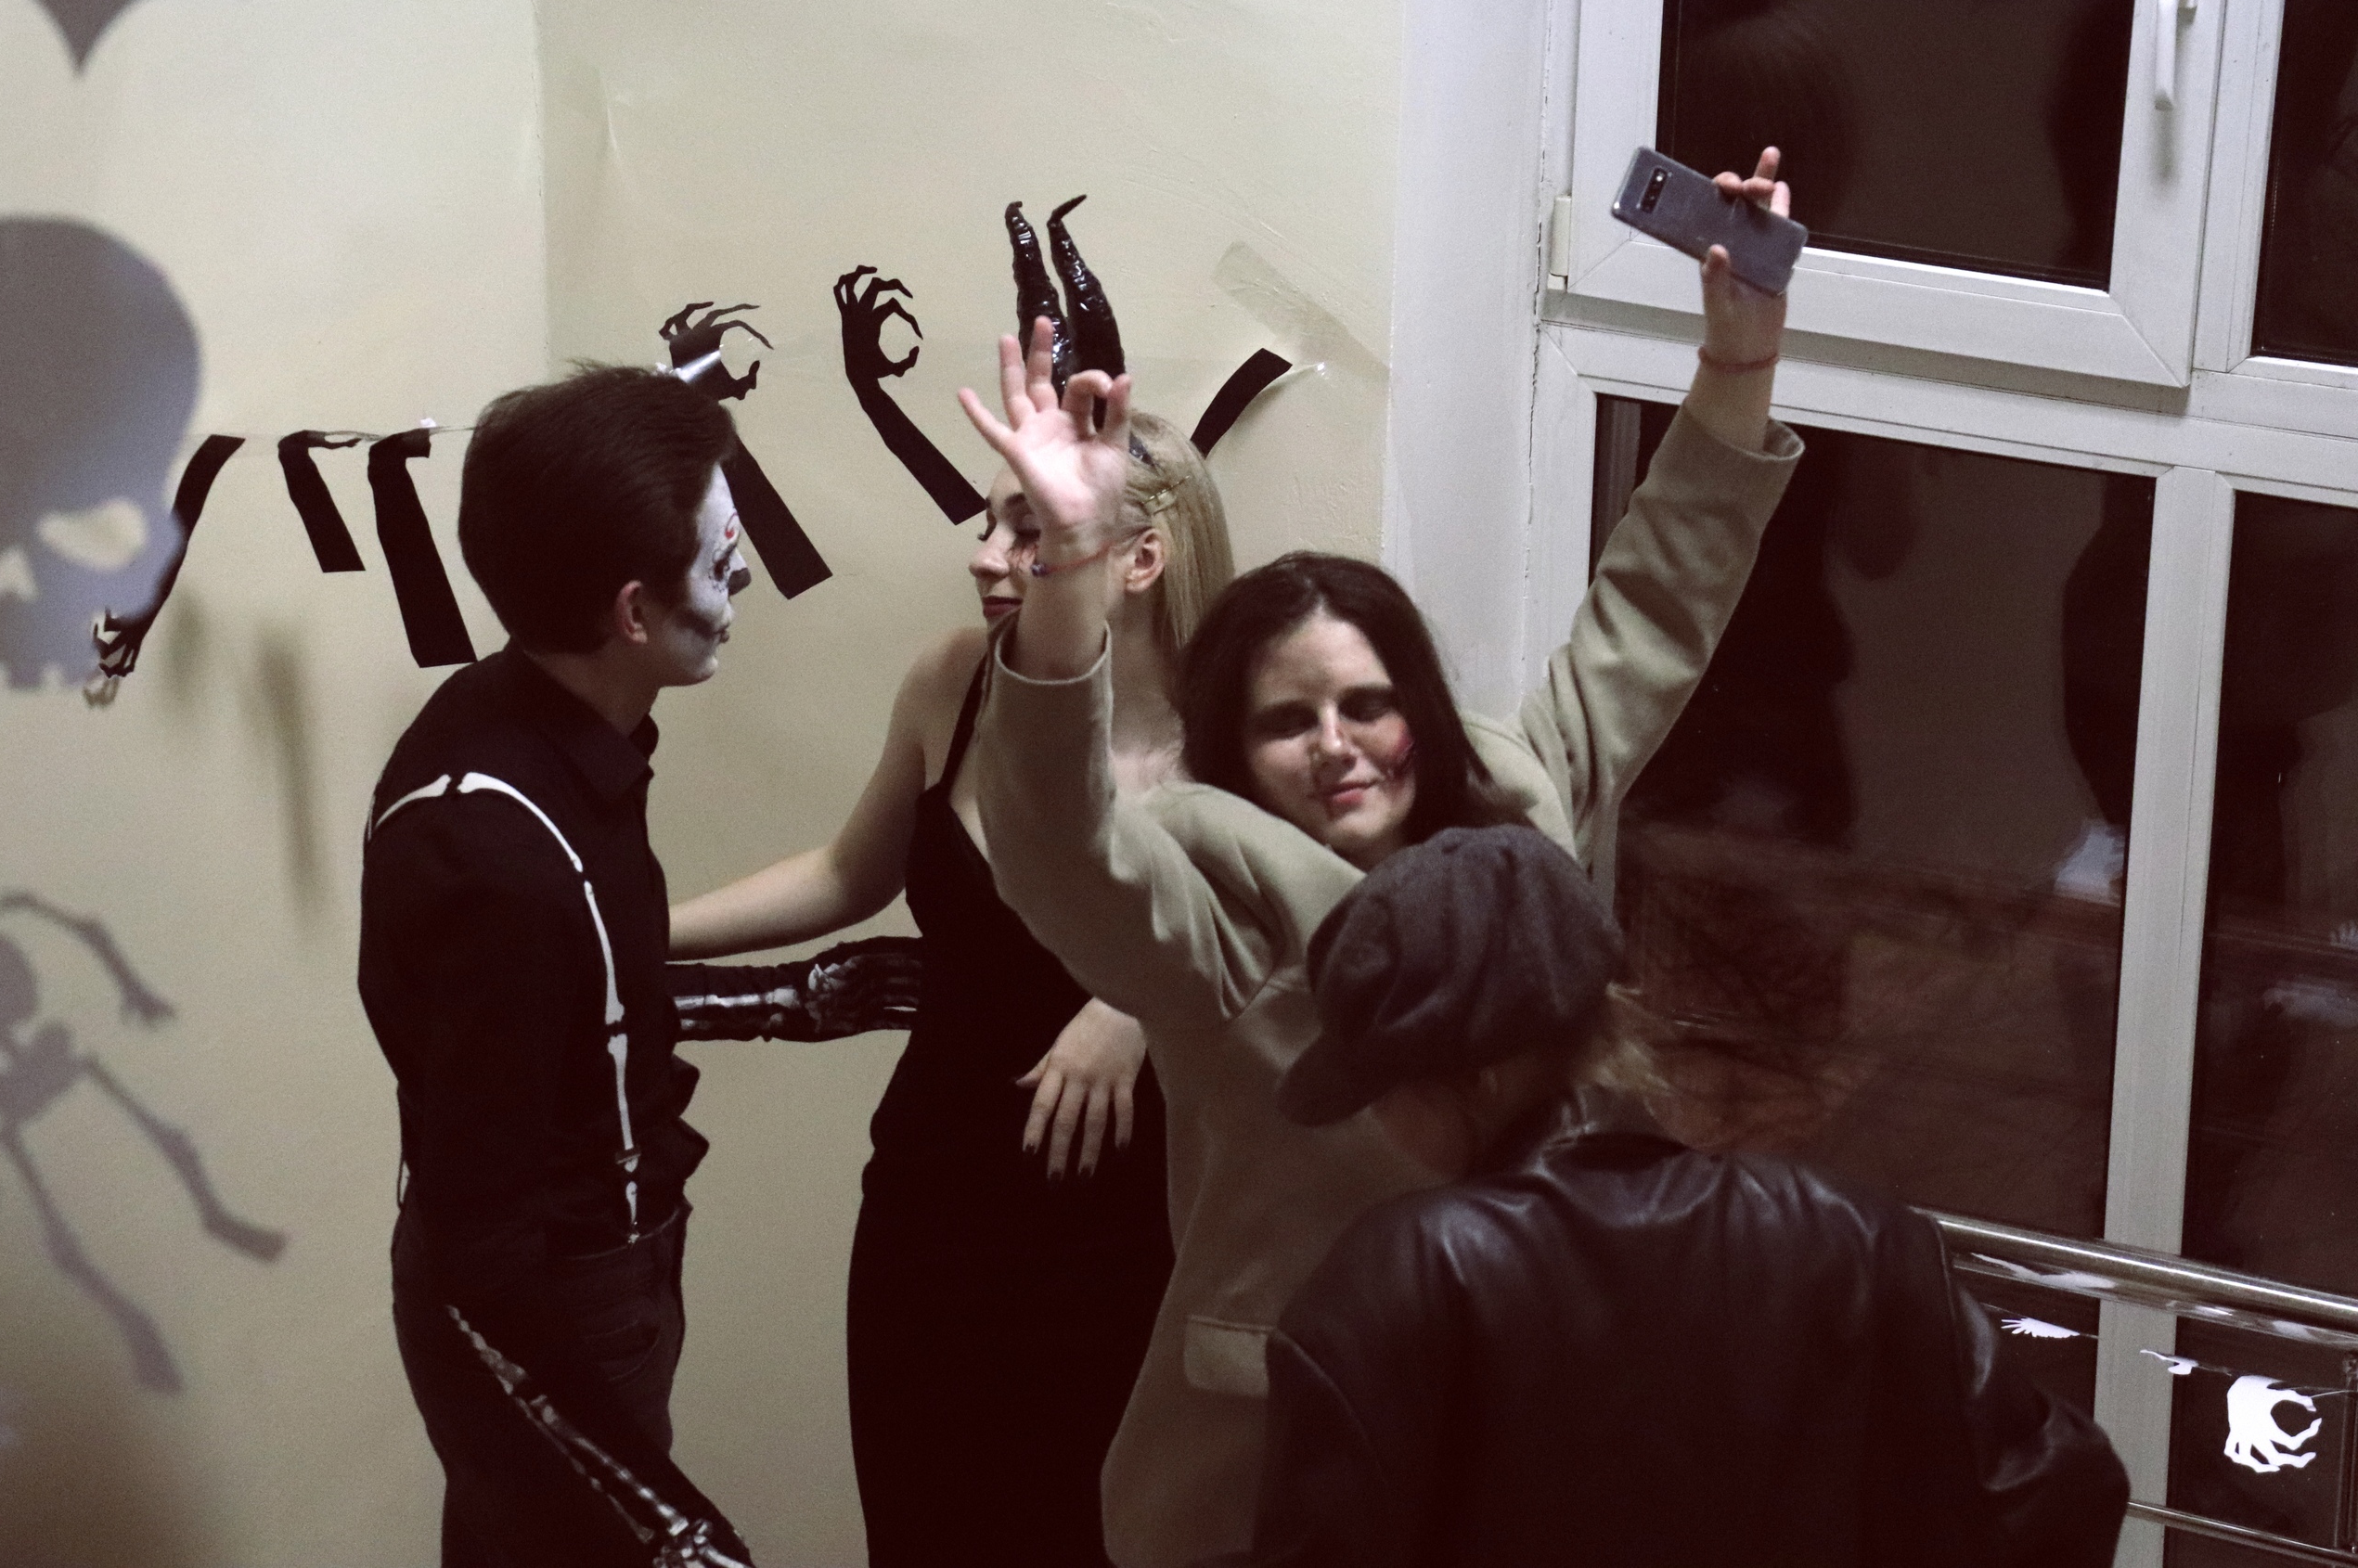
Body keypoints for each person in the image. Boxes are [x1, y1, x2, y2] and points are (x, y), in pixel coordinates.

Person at [962, 151, 1806, 1568]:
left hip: (1528, 1425)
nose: (1337, 746)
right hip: (1275, 1470)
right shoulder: (1211, 895)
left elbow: (1654, 602)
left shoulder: (1518, 799)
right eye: (1287, 720)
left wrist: (1739, 359)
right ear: (1236, 748)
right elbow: (1057, 848)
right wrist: (1070, 564)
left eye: (1366, 703)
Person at [1244, 824, 2130, 1568]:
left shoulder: (1394, 1279)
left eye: (1387, 1090)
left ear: (1479, 1074)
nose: (1381, 1125)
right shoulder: (1856, 1234)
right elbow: (2062, 1494)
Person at [666, 411, 1235, 1566]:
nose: (984, 556)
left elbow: (1303, 936)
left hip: (1140, 1230)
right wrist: (636, 931)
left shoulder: (1242, 734)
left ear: (1139, 558)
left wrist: (1139, 1000)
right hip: (935, 1210)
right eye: (988, 524)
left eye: (1026, 530)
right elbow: (847, 874)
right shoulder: (954, 682)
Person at [359, 366, 760, 1567]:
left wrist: (817, 994)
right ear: (633, 612)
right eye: (722, 559)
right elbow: (480, 1264)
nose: (744, 577)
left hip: (602, 1277)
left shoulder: (543, 723)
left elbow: (587, 1005)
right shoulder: (499, 852)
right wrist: (672, 1524)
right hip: (548, 1313)